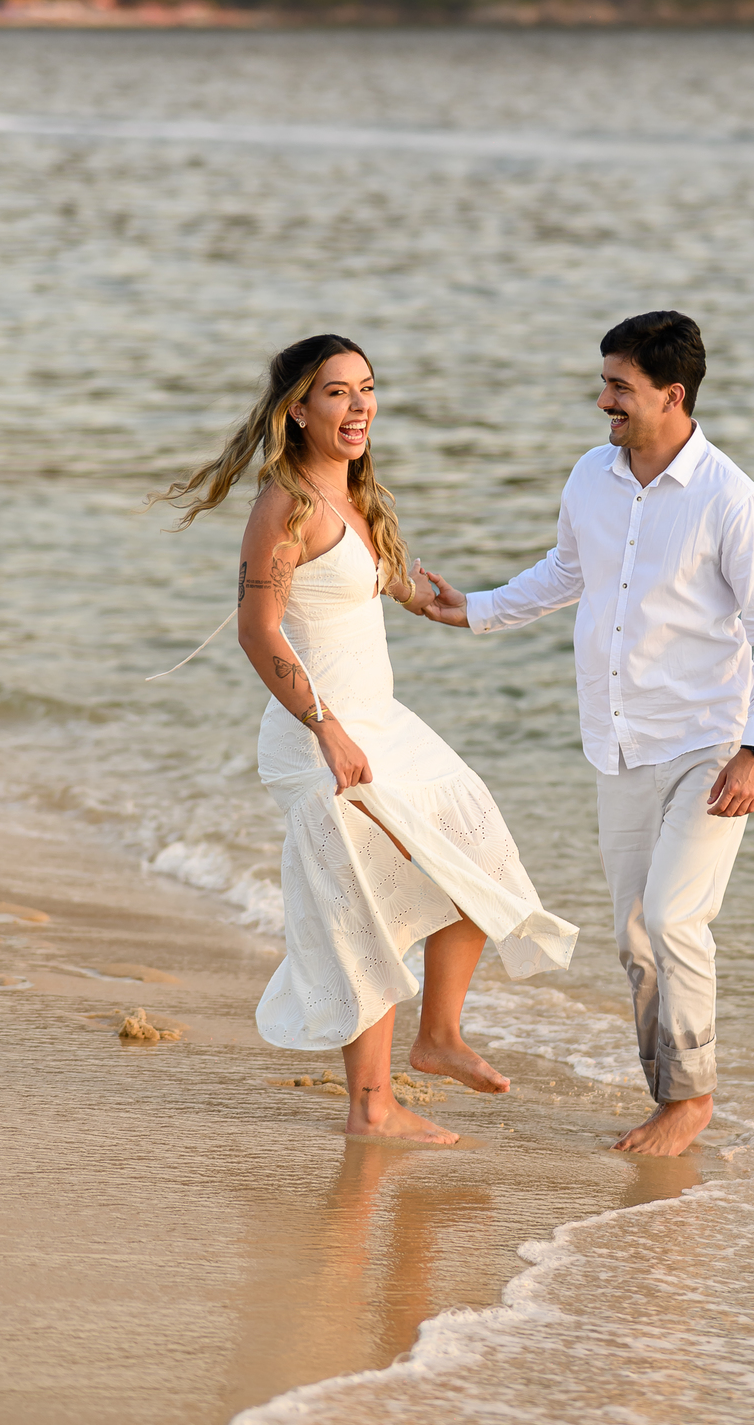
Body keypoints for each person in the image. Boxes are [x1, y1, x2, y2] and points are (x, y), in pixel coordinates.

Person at [155, 333, 577, 1146]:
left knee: (476, 851)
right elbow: (258, 631)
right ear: (298, 411)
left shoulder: (355, 497)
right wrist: (325, 728)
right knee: (363, 908)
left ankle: (438, 1037)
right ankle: (372, 1106)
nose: (359, 407)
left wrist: (446, 602)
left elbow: (377, 578)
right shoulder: (287, 506)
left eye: (367, 389)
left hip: (383, 724)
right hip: (321, 736)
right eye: (338, 393)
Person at [423, 311, 754, 1156]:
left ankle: (692, 1101)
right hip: (620, 741)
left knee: (674, 919)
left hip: (710, 745)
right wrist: (474, 609)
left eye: (619, 387)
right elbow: (568, 573)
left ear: (672, 396)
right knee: (634, 935)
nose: (604, 401)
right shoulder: (591, 478)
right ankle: (666, 1092)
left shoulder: (734, 503)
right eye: (605, 383)